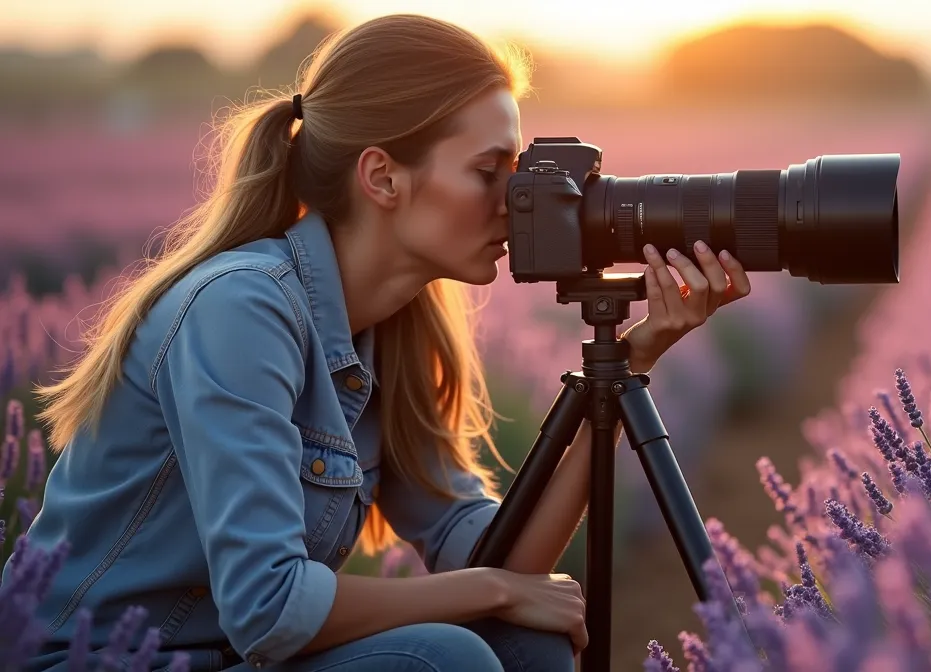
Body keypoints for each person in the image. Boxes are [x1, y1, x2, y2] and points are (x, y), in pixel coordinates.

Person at [9, 14, 751, 672]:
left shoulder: (395, 326)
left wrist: (635, 358)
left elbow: (500, 556)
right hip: (99, 660)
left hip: (235, 657)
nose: (515, 203)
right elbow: (271, 606)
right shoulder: (241, 308)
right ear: (383, 177)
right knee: (449, 656)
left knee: (524, 643)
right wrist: (489, 591)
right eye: (489, 173)